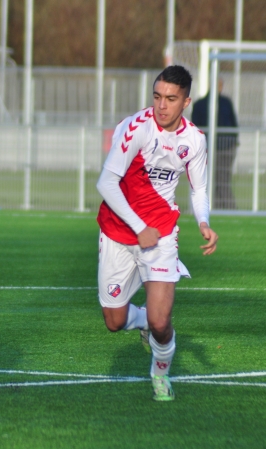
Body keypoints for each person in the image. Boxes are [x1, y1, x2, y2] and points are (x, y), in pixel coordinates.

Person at [95, 65, 218, 401]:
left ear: (186, 102)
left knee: (162, 321)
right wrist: (138, 228)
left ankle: (159, 375)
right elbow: (106, 182)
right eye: (157, 96)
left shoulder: (194, 140)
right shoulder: (135, 129)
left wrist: (203, 222)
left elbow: (198, 190)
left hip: (161, 233)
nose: (161, 106)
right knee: (114, 321)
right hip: (119, 232)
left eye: (171, 99)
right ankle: (142, 323)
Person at [191, 78, 239, 209]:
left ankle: (227, 208)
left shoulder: (224, 103)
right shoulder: (202, 104)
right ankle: (216, 207)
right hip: (211, 149)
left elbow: (233, 125)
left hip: (223, 148)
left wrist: (233, 142)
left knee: (220, 179)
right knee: (213, 180)